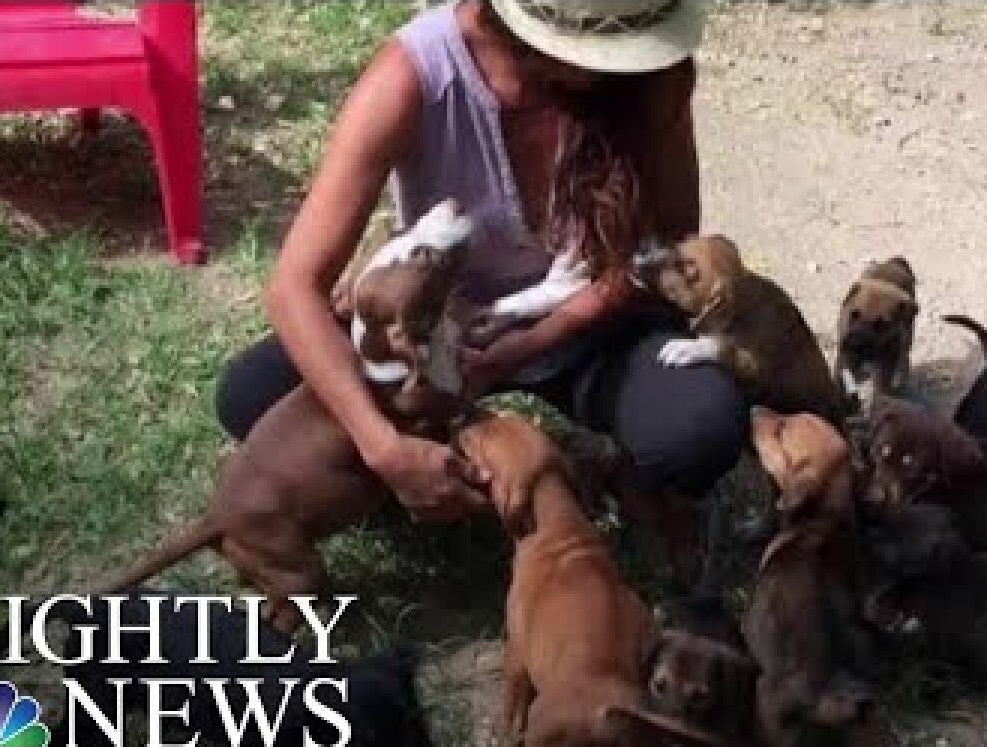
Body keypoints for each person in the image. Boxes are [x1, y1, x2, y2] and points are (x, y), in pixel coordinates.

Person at [216, 0, 746, 540]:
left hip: (585, 318)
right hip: (435, 325)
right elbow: (293, 288)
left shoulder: (647, 79)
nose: (610, 70)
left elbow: (666, 237)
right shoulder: (413, 74)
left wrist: (542, 335)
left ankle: (616, 481)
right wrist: (383, 448)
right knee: (251, 396)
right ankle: (417, 470)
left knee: (701, 425)